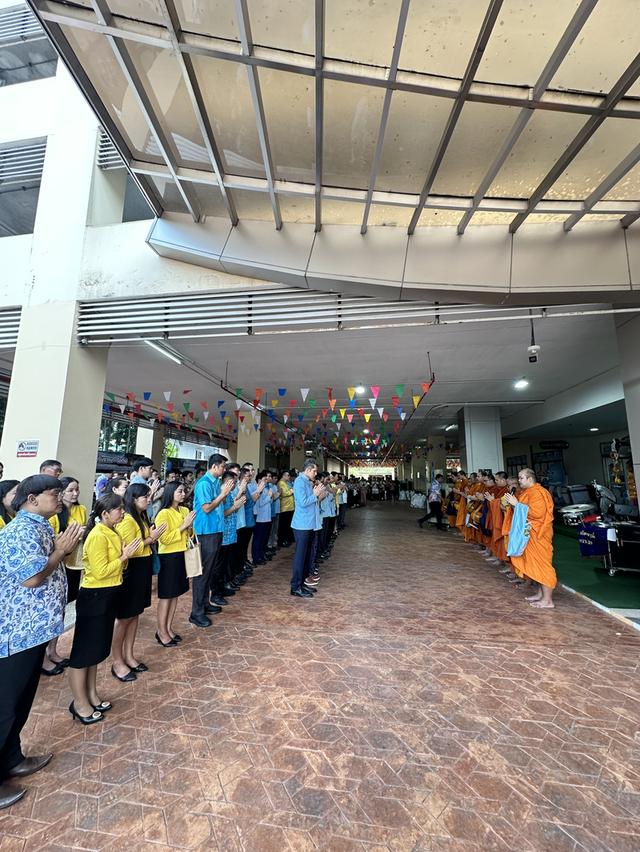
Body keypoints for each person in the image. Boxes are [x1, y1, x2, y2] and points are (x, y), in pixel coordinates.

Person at [0, 475, 83, 810]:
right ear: (32, 499)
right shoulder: (21, 531)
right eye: (54, 493)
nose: (60, 498)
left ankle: (11, 758)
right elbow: (33, 577)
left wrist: (63, 548)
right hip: (16, 632)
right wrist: (61, 550)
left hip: (33, 631)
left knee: (20, 701)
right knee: (5, 706)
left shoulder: (42, 526)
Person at [67, 494, 141, 724]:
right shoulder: (98, 535)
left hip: (108, 594)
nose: (123, 512)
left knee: (96, 650)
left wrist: (124, 557)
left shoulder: (112, 531)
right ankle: (79, 703)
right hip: (95, 596)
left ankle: (91, 694)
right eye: (118, 509)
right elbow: (100, 572)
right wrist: (124, 556)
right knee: (83, 652)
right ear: (105, 513)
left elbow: (118, 566)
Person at [112, 484, 167, 680]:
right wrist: (150, 539)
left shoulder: (140, 517)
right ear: (134, 499)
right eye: (146, 497)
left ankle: (129, 655)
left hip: (142, 568)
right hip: (132, 570)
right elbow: (127, 549)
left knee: (135, 614)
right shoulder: (127, 520)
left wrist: (150, 537)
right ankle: (117, 661)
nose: (149, 500)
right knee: (124, 617)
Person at [43, 477, 88, 675]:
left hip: (74, 563)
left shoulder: (81, 509)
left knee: (62, 607)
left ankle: (53, 650)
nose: (74, 493)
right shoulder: (54, 516)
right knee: (50, 610)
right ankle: (44, 656)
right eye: (70, 490)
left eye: (76, 490)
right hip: (56, 565)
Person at [504, 469, 557, 609]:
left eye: (521, 478)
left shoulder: (538, 493)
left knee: (543, 565)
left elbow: (537, 514)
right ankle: (540, 594)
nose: (519, 481)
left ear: (530, 479)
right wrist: (512, 505)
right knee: (535, 565)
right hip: (529, 533)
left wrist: (517, 504)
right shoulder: (528, 492)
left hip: (539, 534)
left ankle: (548, 600)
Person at [192, 453, 233, 625]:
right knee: (202, 572)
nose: (224, 470)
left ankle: (205, 603)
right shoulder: (204, 484)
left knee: (210, 571)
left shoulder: (216, 482)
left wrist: (225, 494)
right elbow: (207, 508)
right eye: (223, 466)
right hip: (206, 531)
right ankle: (196, 612)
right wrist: (223, 494)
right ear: (214, 466)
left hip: (216, 529)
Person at [154, 483, 196, 644]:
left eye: (184, 491)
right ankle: (161, 631)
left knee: (175, 594)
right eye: (179, 491)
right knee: (166, 595)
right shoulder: (163, 514)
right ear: (170, 493)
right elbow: (164, 539)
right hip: (169, 557)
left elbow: (190, 534)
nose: (183, 494)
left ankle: (168, 628)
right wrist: (183, 525)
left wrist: (189, 528)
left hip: (182, 554)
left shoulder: (184, 510)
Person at [290, 460, 324, 598]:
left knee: (306, 556)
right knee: (300, 556)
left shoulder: (307, 482)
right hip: (302, 525)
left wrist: (317, 494)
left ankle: (302, 583)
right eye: (314, 471)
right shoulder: (299, 482)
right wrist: (315, 494)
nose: (316, 473)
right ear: (308, 470)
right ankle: (295, 586)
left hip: (309, 524)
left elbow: (311, 501)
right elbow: (303, 502)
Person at [251, 471, 273, 566]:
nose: (266, 481)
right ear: (259, 480)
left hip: (267, 517)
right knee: (258, 538)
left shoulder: (265, 489)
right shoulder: (257, 490)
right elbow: (260, 503)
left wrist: (270, 497)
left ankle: (261, 554)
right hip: (260, 517)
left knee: (263, 538)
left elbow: (270, 502)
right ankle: (256, 557)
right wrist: (269, 497)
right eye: (264, 479)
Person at [277, 470, 294, 547]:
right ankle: (282, 541)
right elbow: (284, 493)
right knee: (283, 526)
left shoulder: (286, 483)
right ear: (283, 475)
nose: (289, 477)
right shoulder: (281, 483)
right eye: (287, 475)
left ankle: (286, 539)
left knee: (287, 525)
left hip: (289, 507)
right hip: (284, 508)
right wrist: (291, 491)